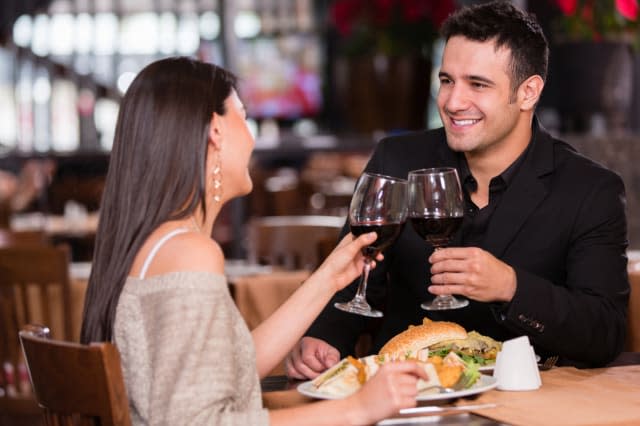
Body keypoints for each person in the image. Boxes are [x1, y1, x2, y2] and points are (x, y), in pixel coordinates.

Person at [286, 0, 629, 379]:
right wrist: (323, 336)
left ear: (528, 92)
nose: (452, 102)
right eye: (446, 80)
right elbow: (352, 280)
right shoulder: (397, 161)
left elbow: (605, 333)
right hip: (404, 397)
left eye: (477, 84)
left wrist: (512, 287)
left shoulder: (589, 189)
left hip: (531, 403)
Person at [80, 57, 428, 425]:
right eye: (243, 117)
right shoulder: (190, 253)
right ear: (216, 130)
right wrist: (357, 409)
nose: (251, 136)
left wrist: (329, 279)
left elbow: (232, 368)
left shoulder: (152, 244)